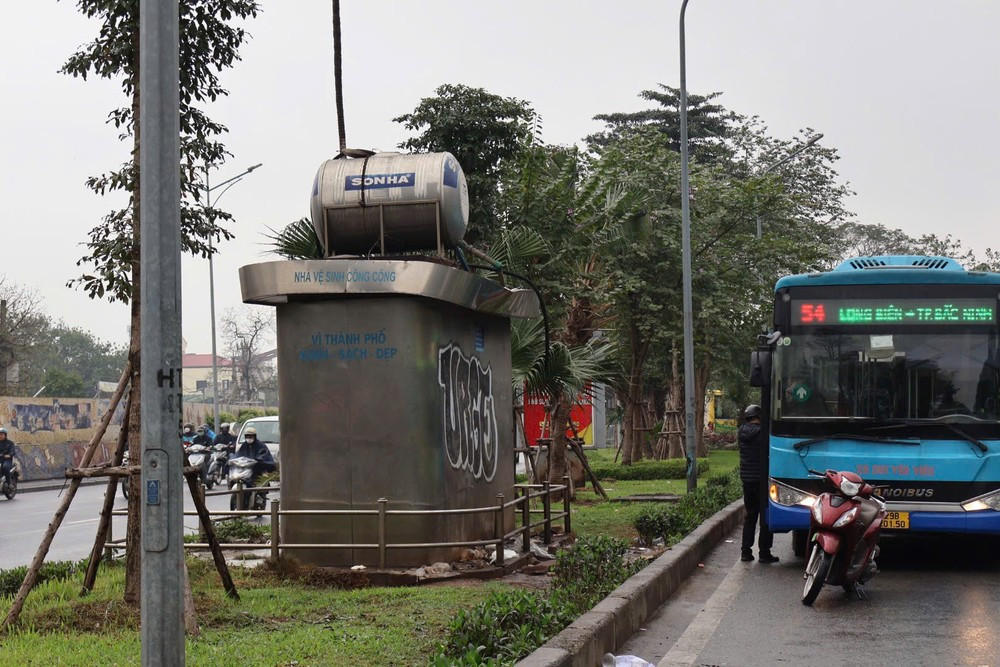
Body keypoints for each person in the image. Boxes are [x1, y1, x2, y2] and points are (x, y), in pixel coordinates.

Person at [738, 405, 778, 563]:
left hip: (747, 480)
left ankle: (745, 552)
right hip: (762, 479)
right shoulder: (764, 433)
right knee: (765, 516)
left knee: (750, 516)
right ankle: (764, 552)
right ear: (759, 416)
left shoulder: (741, 432)